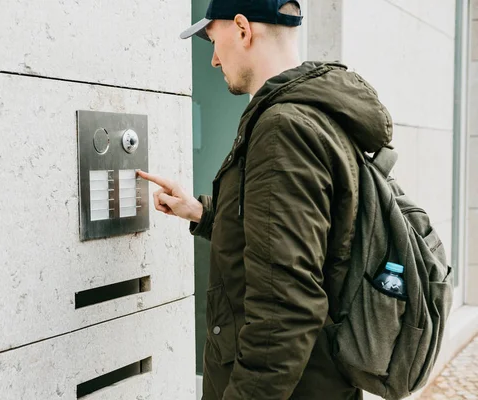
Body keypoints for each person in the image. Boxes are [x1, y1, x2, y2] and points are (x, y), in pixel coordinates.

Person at [138, 0, 392, 398]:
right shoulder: (315, 113)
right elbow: (302, 238)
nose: (214, 61)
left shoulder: (282, 129)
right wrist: (203, 212)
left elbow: (286, 310)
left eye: (212, 40)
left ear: (242, 29)